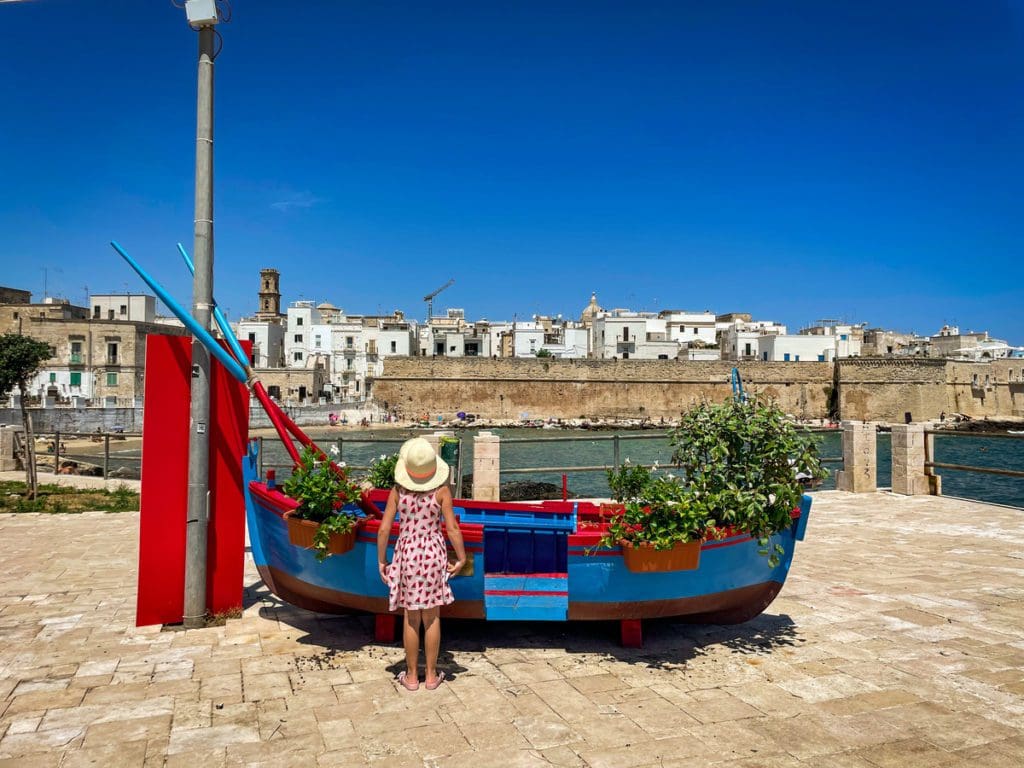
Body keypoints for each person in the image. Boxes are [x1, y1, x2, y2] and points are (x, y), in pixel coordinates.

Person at [377, 437, 466, 691]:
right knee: (432, 616)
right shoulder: (442, 492)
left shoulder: (398, 491)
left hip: (406, 555)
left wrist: (382, 561)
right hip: (432, 555)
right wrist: (460, 558)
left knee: (410, 617)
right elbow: (452, 528)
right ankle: (431, 675)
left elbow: (384, 530)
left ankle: (411, 676)